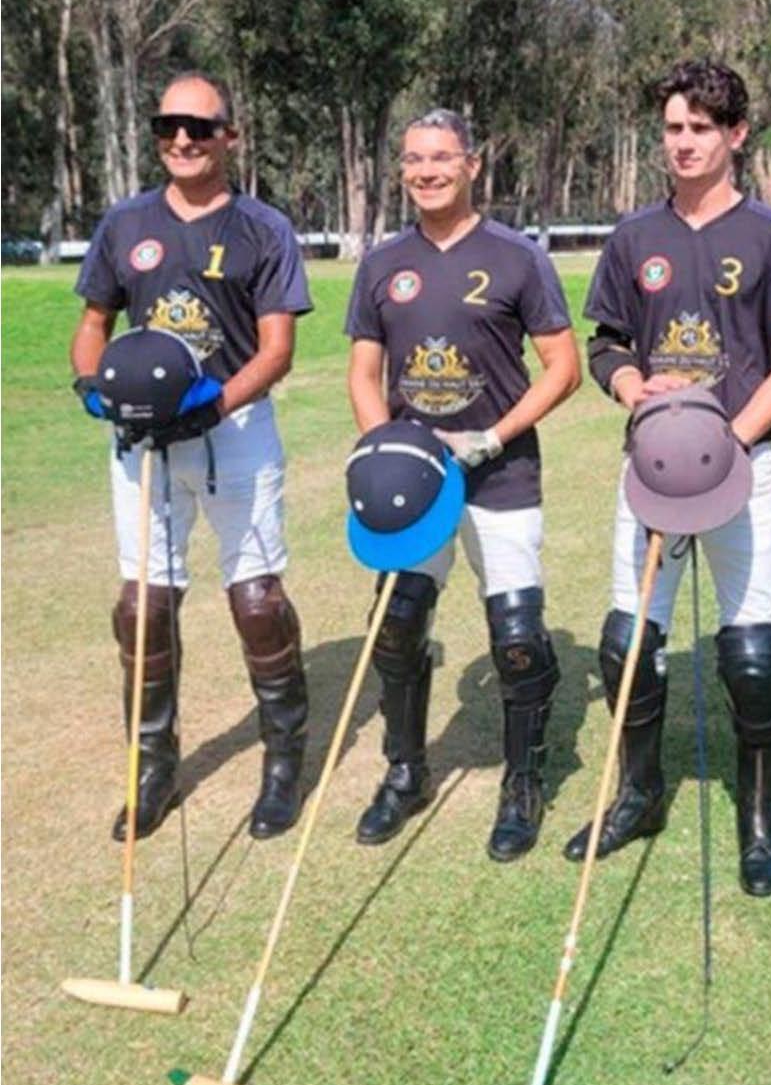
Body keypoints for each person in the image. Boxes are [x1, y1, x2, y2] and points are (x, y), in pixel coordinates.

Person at [573, 58, 771, 897]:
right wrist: (626, 386)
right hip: (650, 469)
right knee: (627, 641)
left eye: (700, 128)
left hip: (742, 468)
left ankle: (757, 818)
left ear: (736, 135)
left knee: (750, 652)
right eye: (672, 129)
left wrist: (730, 442)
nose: (683, 143)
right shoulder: (633, 238)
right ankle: (639, 794)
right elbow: (605, 343)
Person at [72, 72, 314, 841]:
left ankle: (282, 763)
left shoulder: (262, 228)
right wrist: (93, 390)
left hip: (233, 431)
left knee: (257, 599)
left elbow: (276, 349)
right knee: (142, 605)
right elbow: (94, 324)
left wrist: (212, 406)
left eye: (200, 127)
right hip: (142, 439)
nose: (182, 139)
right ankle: (153, 767)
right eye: (168, 125)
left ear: (228, 137)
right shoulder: (125, 223)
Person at [345, 108, 581, 860]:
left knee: (516, 639)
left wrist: (493, 437)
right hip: (414, 482)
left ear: (472, 165)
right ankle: (404, 771)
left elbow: (563, 368)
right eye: (414, 159)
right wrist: (385, 446)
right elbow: (364, 371)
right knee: (397, 623)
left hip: (500, 473)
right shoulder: (383, 263)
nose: (427, 172)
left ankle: (523, 782)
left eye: (441, 158)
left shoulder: (517, 257)